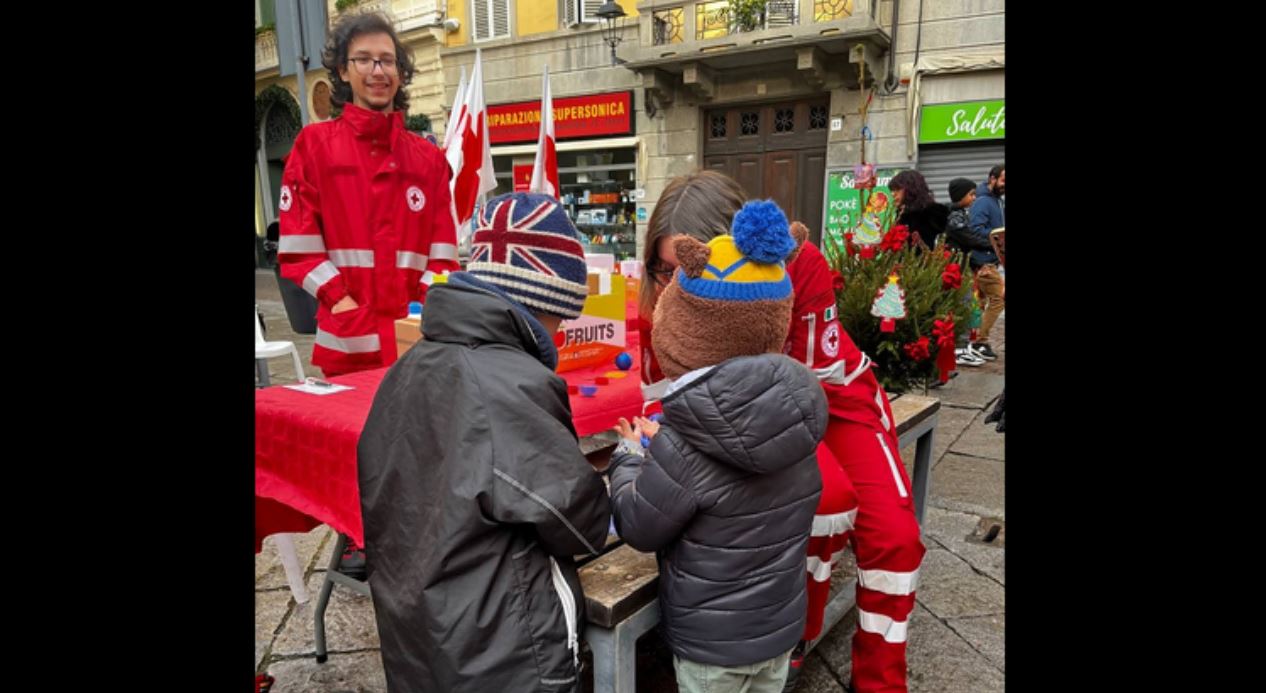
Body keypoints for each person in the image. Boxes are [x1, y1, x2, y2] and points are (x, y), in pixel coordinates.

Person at [639, 171, 926, 693]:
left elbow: (807, 387)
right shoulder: (661, 297)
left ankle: (880, 680)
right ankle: (795, 637)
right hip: (751, 416)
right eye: (665, 269)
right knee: (822, 502)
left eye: (686, 268)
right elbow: (669, 395)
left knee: (895, 538)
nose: (674, 285)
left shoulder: (797, 261)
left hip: (828, 398)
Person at [356, 192, 611, 692]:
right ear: (542, 305)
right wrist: (621, 473)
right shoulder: (513, 384)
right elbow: (581, 526)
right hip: (506, 655)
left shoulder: (407, 368)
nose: (560, 335)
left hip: (418, 637)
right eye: (562, 317)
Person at [609, 199, 828, 693]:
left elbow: (639, 525)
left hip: (712, 646)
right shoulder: (797, 420)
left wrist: (629, 458)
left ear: (686, 325)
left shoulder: (684, 445)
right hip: (776, 633)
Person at [278, 11, 459, 378]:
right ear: (343, 71)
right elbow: (298, 248)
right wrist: (339, 300)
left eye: (387, 61)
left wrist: (422, 312)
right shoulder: (314, 147)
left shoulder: (429, 160)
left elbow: (444, 259)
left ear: (401, 73)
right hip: (347, 349)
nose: (378, 71)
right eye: (363, 59)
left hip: (417, 347)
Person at [966, 165, 1005, 359]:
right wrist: (997, 238)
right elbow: (975, 230)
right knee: (999, 299)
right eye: (1003, 180)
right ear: (992, 178)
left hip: (989, 260)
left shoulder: (997, 200)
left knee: (980, 303)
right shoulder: (983, 201)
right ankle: (980, 341)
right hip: (983, 261)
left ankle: (974, 341)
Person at [886, 170, 947, 250]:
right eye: (892, 190)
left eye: (898, 189)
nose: (893, 194)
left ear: (911, 189)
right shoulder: (901, 213)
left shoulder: (932, 212)